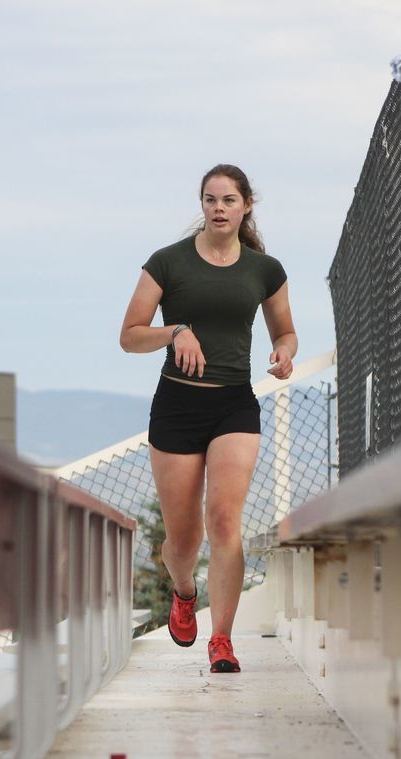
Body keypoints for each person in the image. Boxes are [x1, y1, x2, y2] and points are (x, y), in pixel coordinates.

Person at [118, 163, 296, 673]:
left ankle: (221, 639)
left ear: (246, 206)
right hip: (177, 406)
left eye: (228, 200)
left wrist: (283, 354)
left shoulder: (265, 270)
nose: (218, 208)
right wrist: (174, 331)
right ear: (202, 205)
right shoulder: (167, 263)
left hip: (233, 404)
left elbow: (285, 332)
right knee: (183, 541)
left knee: (223, 521)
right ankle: (183, 589)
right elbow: (129, 334)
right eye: (210, 199)